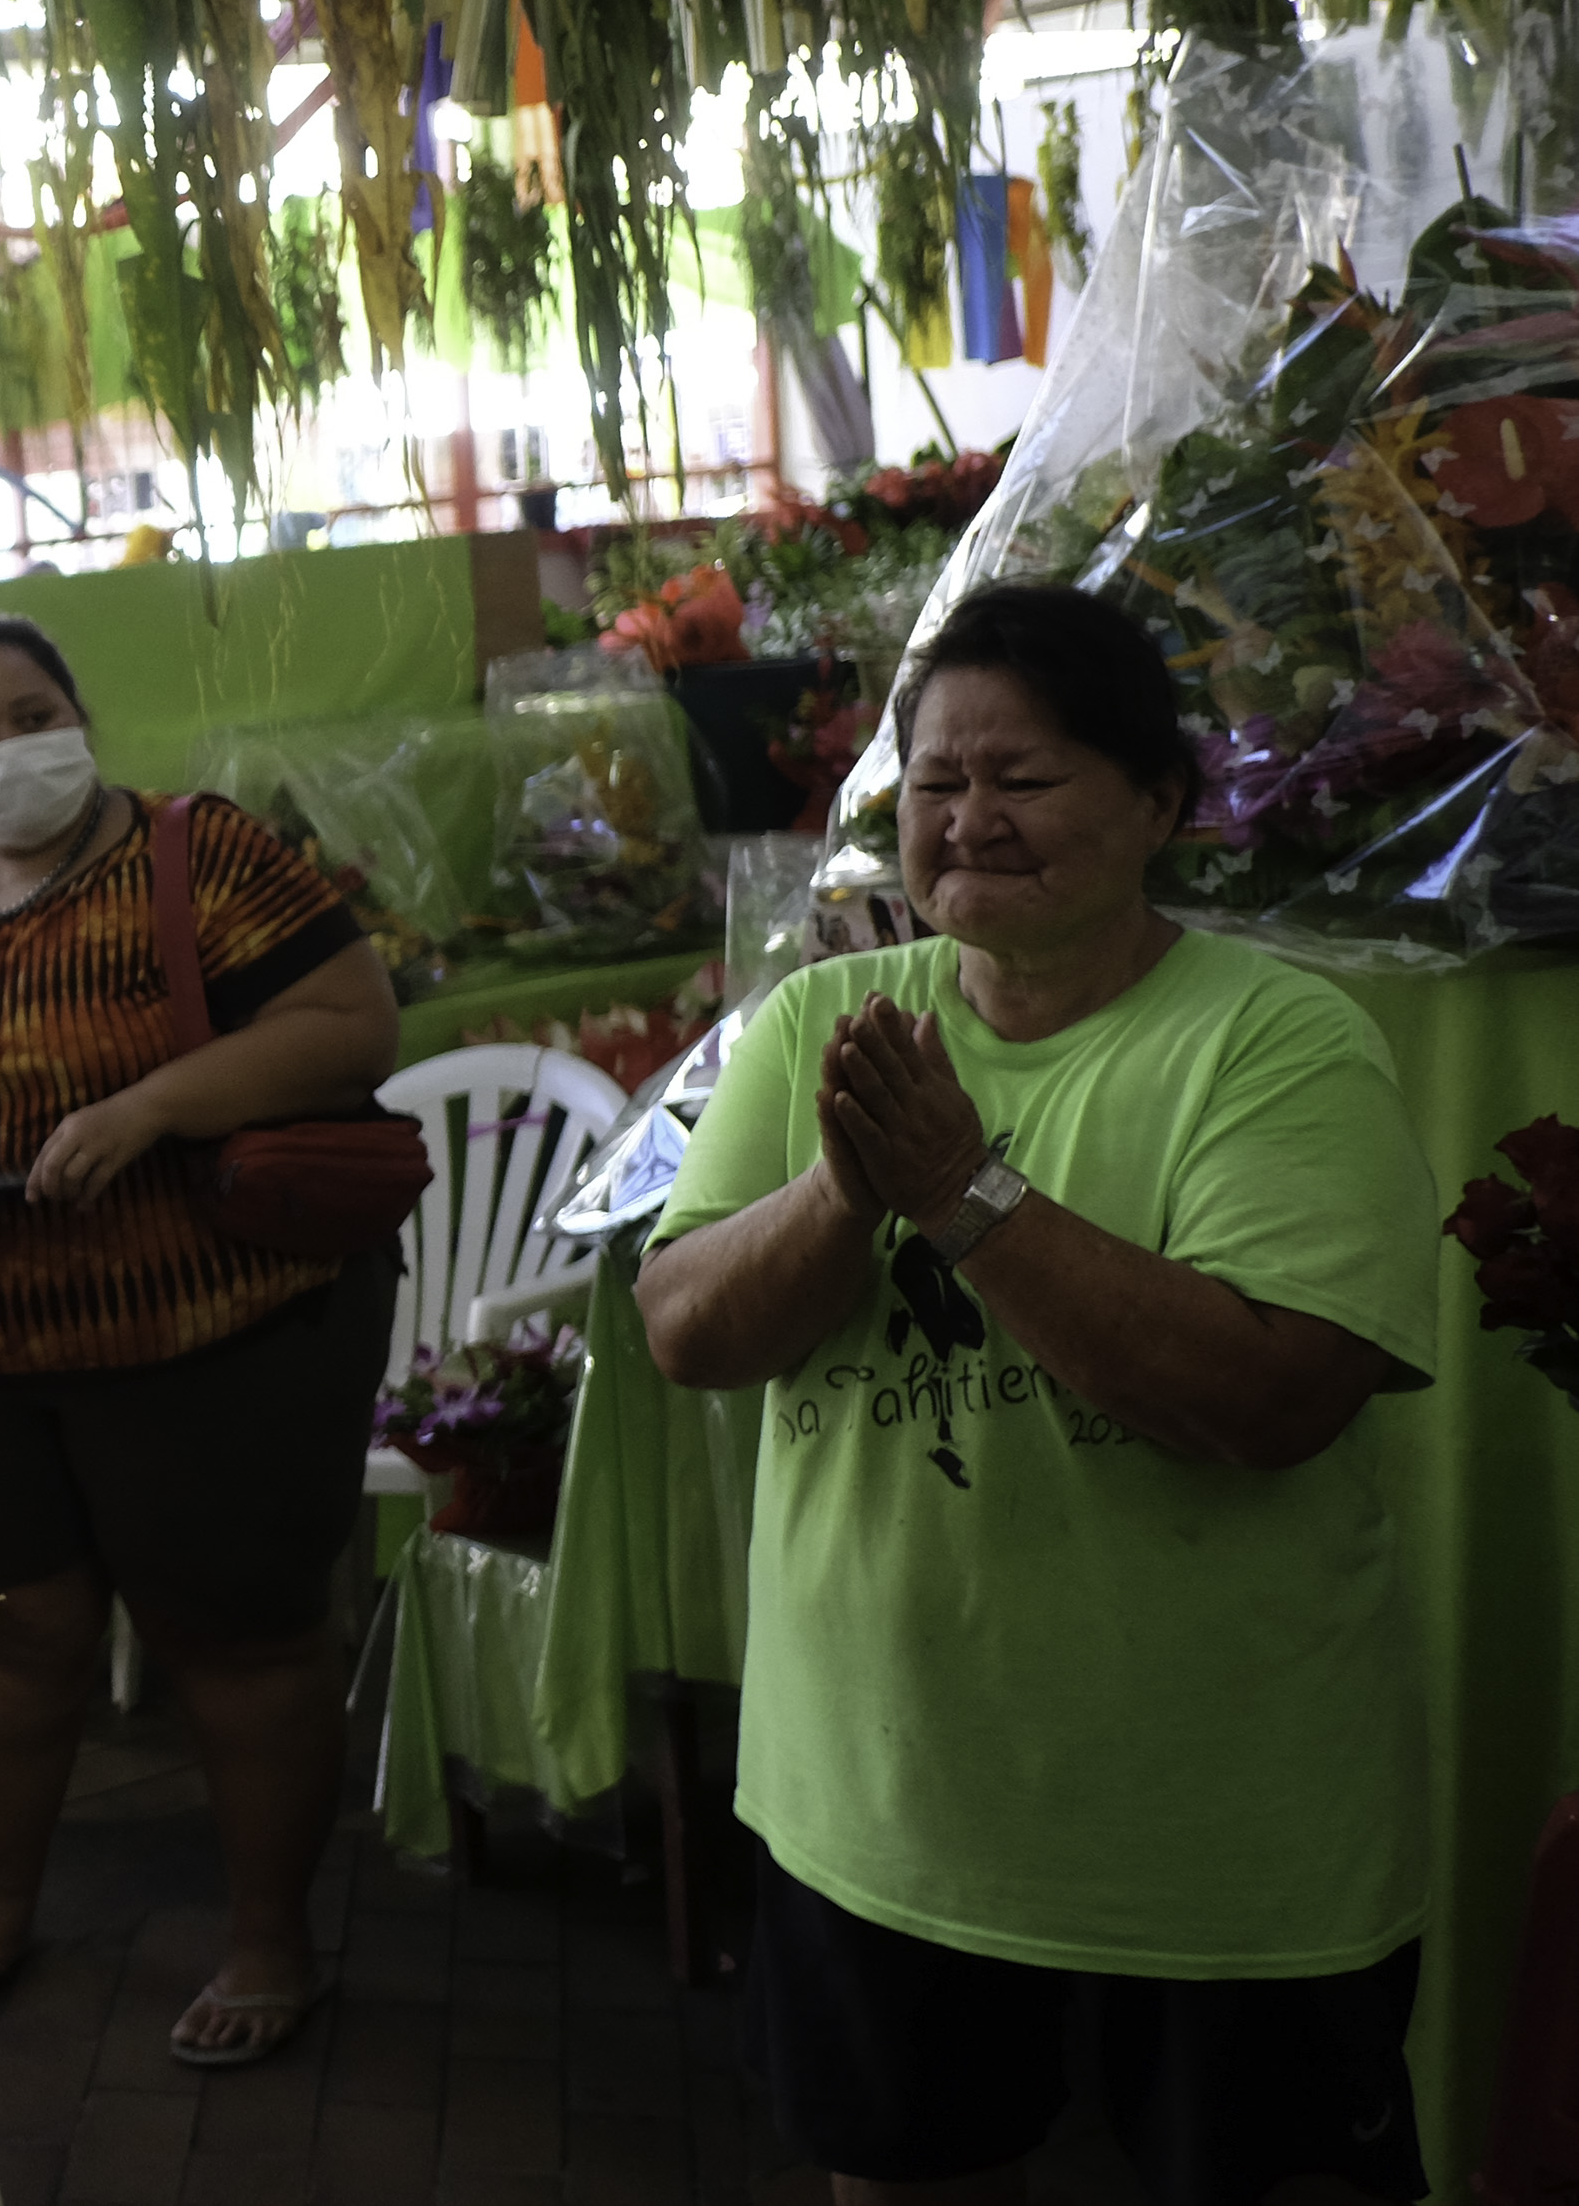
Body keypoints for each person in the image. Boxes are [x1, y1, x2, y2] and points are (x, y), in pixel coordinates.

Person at [634, 584, 1442, 2206]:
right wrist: (840, 1192)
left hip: (1216, 1861)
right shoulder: (815, 1024)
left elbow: (1271, 1398)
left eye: (1023, 777)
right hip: (874, 1819)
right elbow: (684, 1326)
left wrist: (964, 1190)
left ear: (1157, 803)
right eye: (935, 783)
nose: (968, 821)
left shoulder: (1278, 1042)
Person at [0, 614, 401, 2063]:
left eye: (29, 713)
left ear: (81, 714)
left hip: (204, 1341)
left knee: (236, 1639)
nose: (7, 750)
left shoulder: (204, 855)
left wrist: (152, 1106)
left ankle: (268, 1939)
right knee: (1, 1644)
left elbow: (350, 1018)